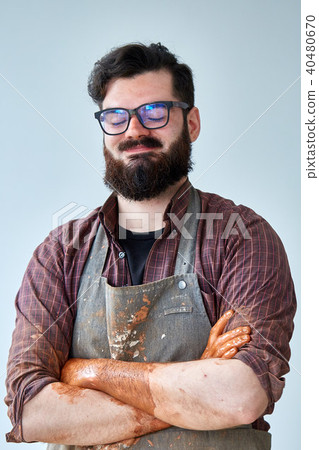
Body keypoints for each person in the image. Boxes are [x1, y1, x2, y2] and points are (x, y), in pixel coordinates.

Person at [5, 43, 296, 449]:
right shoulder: (60, 253)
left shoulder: (241, 238)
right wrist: (195, 388)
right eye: (116, 116)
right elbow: (31, 410)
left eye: (155, 112)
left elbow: (240, 395)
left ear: (191, 123)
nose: (135, 130)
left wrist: (87, 374)